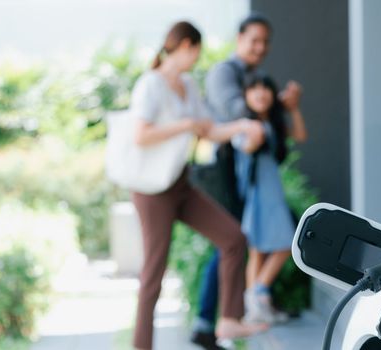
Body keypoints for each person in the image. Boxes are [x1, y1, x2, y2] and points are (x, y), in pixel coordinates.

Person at [129, 21, 266, 350]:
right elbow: (141, 135)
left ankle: (230, 319)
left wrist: (243, 126)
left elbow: (209, 130)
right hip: (152, 192)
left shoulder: (188, 85)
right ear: (186, 46)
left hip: (180, 185)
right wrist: (185, 124)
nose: (197, 59)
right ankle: (140, 345)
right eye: (197, 51)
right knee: (154, 273)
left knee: (234, 238)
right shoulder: (150, 84)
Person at [191, 13, 307, 349]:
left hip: (244, 171)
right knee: (230, 241)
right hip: (227, 170)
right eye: (253, 40)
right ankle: (215, 318)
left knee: (237, 242)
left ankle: (234, 312)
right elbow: (233, 113)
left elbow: (280, 127)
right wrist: (269, 107)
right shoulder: (225, 72)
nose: (260, 47)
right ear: (239, 39)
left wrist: (280, 108)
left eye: (265, 42)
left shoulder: (256, 76)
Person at [237, 74, 307, 323]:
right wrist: (253, 132)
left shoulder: (272, 123)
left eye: (265, 89)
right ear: (245, 96)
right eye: (254, 89)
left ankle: (255, 302)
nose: (260, 94)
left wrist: (292, 108)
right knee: (271, 246)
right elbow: (246, 145)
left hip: (269, 191)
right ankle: (258, 296)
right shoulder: (245, 124)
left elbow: (300, 135)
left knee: (264, 248)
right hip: (257, 192)